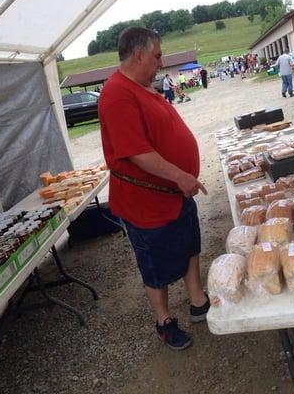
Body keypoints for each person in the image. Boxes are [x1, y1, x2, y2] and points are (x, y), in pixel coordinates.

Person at [98, 26, 209, 351]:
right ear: (139, 54)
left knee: (189, 244)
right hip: (146, 201)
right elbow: (136, 151)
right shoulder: (116, 93)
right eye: (157, 55)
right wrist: (179, 175)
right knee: (154, 263)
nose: (161, 62)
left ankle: (198, 301)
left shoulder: (140, 86)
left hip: (175, 194)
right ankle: (164, 320)